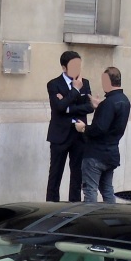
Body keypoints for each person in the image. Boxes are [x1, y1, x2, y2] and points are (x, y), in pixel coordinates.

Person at [45, 51, 96, 201]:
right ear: (64, 67)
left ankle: (74, 209)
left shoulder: (85, 83)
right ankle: (51, 209)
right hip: (59, 135)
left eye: (79, 65)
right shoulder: (54, 84)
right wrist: (74, 91)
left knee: (77, 176)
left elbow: (90, 107)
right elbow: (58, 107)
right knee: (55, 175)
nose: (77, 69)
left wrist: (67, 106)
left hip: (79, 135)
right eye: (73, 65)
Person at [75, 66, 130, 203]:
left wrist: (83, 128)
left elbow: (99, 129)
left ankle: (91, 221)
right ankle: (112, 219)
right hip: (111, 153)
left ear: (107, 81)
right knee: (107, 190)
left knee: (90, 190)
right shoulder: (125, 100)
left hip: (96, 155)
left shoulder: (109, 103)